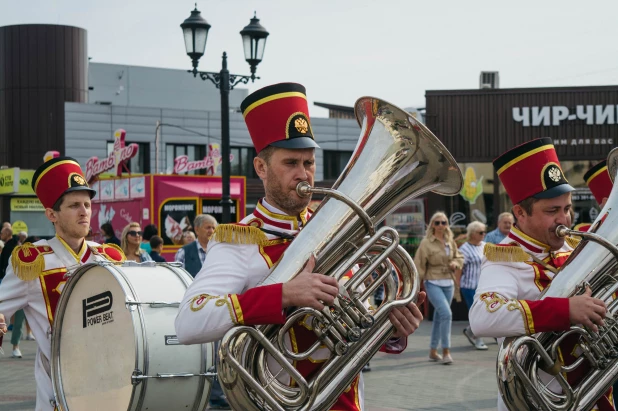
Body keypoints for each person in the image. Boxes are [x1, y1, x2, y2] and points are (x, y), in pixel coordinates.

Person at [175, 83, 425, 411]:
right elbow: (188, 322)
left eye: (309, 162)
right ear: (261, 168)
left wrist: (391, 328)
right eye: (291, 163)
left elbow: (353, 326)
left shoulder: (340, 232)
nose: (303, 173)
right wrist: (282, 295)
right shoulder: (240, 239)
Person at [469, 138, 613, 411]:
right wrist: (566, 309)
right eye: (552, 211)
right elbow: (482, 317)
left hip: (595, 395)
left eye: (567, 208)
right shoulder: (504, 257)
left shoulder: (575, 246)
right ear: (520, 213)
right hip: (541, 400)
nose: (565, 219)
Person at [0, 156, 126, 410]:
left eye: (87, 204)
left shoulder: (107, 255)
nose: (84, 211)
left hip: (112, 383)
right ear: (51, 214)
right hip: (59, 391)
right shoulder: (32, 261)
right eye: (74, 205)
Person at [414, 211, 464, 365]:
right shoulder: (426, 242)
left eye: (444, 222)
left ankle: (432, 351)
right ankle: (446, 351)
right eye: (437, 223)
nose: (441, 225)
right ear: (432, 225)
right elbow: (419, 264)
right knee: (446, 314)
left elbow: (459, 256)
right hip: (433, 281)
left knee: (438, 316)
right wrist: (415, 288)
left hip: (448, 282)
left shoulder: (450, 240)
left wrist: (455, 263)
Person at [457, 221, 487, 350]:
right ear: (473, 234)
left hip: (484, 286)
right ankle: (477, 338)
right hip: (469, 286)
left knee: (484, 313)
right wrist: (457, 286)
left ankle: (470, 331)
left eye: (484, 231)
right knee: (476, 314)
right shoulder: (464, 249)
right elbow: (459, 269)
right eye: (481, 232)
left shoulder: (485, 246)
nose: (483, 234)